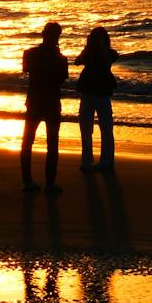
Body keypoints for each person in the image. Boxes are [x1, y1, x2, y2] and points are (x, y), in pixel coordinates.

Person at [21, 20, 68, 191]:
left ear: (43, 34)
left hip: (34, 101)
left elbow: (26, 70)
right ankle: (50, 183)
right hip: (52, 102)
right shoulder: (61, 58)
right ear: (58, 37)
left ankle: (27, 182)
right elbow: (62, 79)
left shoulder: (30, 53)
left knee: (27, 142)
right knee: (52, 144)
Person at [75, 24, 118, 172]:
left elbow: (108, 61)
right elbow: (77, 61)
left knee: (106, 128)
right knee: (86, 128)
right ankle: (87, 160)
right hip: (88, 92)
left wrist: (100, 47)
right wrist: (88, 47)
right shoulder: (89, 53)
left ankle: (107, 160)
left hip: (102, 93)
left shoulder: (110, 53)